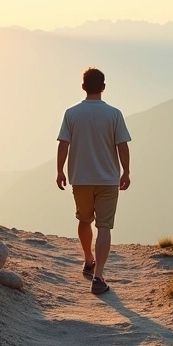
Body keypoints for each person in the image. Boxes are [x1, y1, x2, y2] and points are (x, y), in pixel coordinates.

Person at [56, 67, 132, 295]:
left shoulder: (71, 113)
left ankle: (88, 259)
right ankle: (98, 276)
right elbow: (122, 146)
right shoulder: (114, 114)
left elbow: (63, 144)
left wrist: (60, 171)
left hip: (80, 178)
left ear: (83, 87)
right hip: (108, 179)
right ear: (104, 87)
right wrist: (126, 172)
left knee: (84, 219)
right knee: (104, 227)